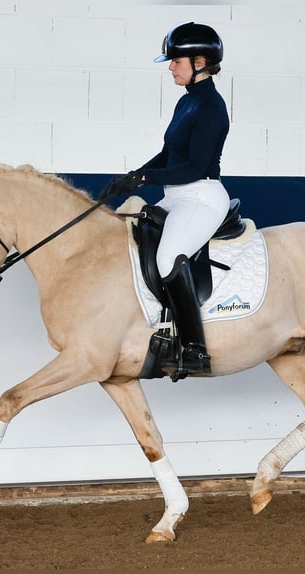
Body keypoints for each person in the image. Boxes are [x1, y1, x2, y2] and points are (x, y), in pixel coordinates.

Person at [102, 22, 230, 377]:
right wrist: (132, 178)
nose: (171, 67)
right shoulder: (187, 102)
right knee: (134, 238)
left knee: (168, 257)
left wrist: (146, 178)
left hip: (201, 197)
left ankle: (194, 348)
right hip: (176, 196)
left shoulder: (211, 107)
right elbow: (167, 154)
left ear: (200, 61)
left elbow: (194, 167)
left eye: (176, 61)